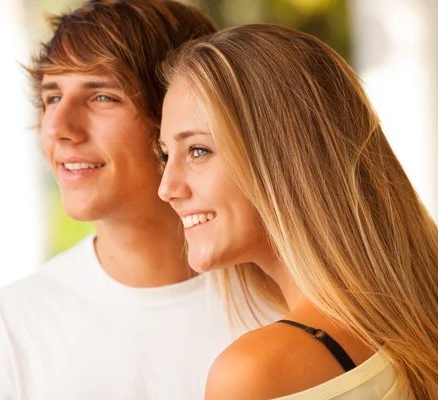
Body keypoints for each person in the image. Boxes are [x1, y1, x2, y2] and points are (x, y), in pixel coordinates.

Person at [0, 3, 281, 399]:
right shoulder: (8, 328)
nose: (59, 127)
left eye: (102, 97)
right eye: (52, 97)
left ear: (179, 109)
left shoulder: (288, 305)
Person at [158, 24, 438, 399]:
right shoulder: (410, 325)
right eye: (164, 155)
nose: (167, 188)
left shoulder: (254, 372)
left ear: (285, 161)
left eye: (198, 150)